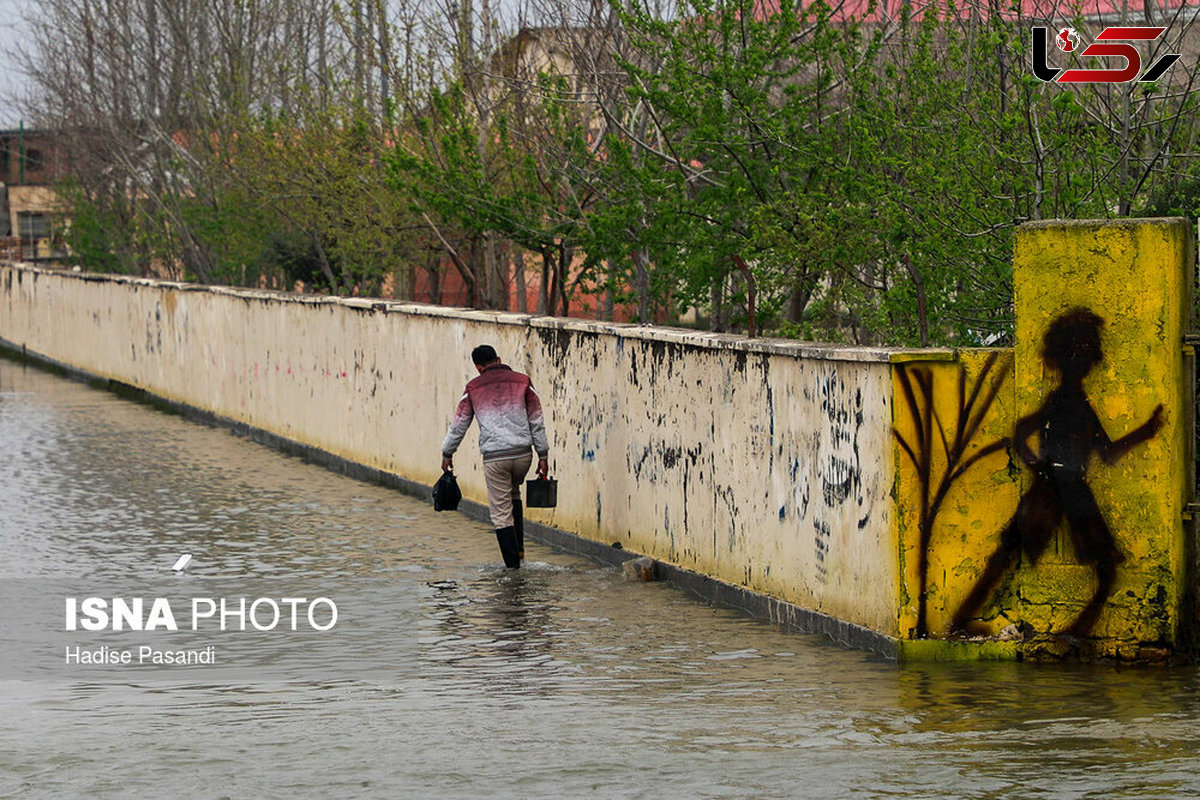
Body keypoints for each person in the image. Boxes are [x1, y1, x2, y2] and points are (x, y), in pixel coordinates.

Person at [949, 308, 1162, 638]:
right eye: (1089, 350)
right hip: (1067, 488)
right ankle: (1075, 634)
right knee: (1102, 568)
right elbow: (1105, 453)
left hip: (1053, 488)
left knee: (1007, 556)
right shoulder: (1070, 401)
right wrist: (1144, 433)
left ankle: (964, 621)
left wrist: (1040, 469)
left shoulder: (1067, 400)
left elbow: (1027, 433)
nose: (1094, 357)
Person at [441, 345, 549, 568]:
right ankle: (519, 552)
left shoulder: (473, 387)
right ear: (498, 359)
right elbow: (536, 420)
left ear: (478, 367)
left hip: (495, 457)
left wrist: (447, 452)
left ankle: (513, 569)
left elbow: (459, 425)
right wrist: (543, 455)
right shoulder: (523, 381)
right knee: (513, 494)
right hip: (523, 456)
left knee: (501, 513)